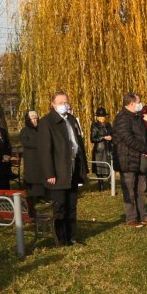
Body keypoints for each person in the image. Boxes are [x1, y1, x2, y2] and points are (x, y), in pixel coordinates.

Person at [37, 91, 88, 245]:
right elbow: (45, 150)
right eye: (60, 102)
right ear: (53, 104)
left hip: (72, 169)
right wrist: (49, 173)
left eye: (65, 102)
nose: (64, 105)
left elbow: (78, 143)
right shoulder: (47, 122)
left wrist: (82, 167)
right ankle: (61, 238)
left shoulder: (71, 120)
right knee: (60, 206)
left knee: (72, 204)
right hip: (58, 172)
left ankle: (72, 237)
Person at [113, 92, 147, 227]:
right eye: (139, 102)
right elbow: (128, 139)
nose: (140, 104)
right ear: (131, 103)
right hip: (127, 159)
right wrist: (145, 149)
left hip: (140, 159)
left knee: (141, 189)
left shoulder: (137, 117)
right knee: (129, 190)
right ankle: (131, 218)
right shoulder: (122, 118)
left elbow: (145, 135)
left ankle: (144, 216)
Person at [18, 110, 45, 201]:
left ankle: (42, 195)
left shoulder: (42, 129)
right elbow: (25, 143)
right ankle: (33, 196)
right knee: (33, 177)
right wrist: (39, 144)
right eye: (32, 118)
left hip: (41, 158)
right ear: (28, 119)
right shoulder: (24, 131)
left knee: (42, 176)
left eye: (35, 118)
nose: (34, 120)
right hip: (31, 158)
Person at [89, 107, 117, 192]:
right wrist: (103, 137)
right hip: (99, 150)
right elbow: (93, 139)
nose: (102, 118)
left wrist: (112, 137)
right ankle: (100, 185)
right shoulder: (95, 125)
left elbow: (113, 134)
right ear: (97, 117)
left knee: (109, 167)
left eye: (103, 116)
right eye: (100, 116)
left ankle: (110, 185)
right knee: (99, 168)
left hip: (108, 148)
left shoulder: (108, 125)